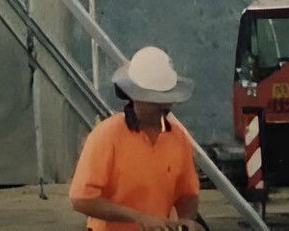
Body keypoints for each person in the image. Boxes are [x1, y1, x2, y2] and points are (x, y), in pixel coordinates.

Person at [70, 46, 200, 231]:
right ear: (134, 96)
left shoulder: (178, 139)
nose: (162, 105)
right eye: (154, 100)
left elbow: (187, 195)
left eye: (166, 98)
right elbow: (81, 199)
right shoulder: (107, 135)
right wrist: (138, 217)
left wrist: (186, 220)